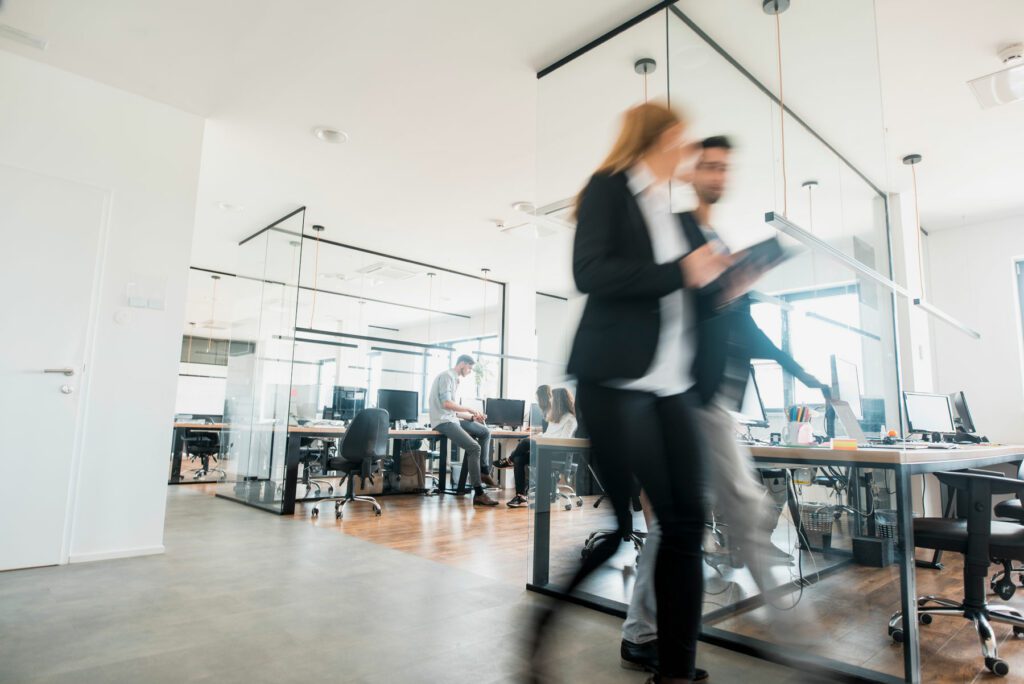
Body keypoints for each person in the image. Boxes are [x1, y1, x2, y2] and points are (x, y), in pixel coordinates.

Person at [529, 102, 733, 684]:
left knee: (687, 524)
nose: (689, 153)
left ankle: (675, 671)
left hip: (671, 388)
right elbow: (589, 273)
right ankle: (542, 623)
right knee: (623, 527)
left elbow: (682, 297)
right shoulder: (608, 190)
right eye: (682, 140)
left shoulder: (669, 213)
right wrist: (681, 272)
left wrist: (722, 283)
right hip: (616, 383)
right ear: (659, 138)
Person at [620, 136, 831, 675]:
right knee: (740, 505)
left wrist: (801, 372)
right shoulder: (684, 230)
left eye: (724, 167)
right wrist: (728, 279)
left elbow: (749, 329)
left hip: (711, 400)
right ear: (692, 173)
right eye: (709, 165)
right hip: (688, 397)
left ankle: (642, 630)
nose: (718, 173)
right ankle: (795, 637)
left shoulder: (713, 237)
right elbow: (678, 303)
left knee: (683, 522)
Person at [428, 354, 498, 506]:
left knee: (485, 432)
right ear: (462, 364)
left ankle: (484, 471)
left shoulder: (454, 379)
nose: (470, 371)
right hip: (442, 421)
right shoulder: (447, 376)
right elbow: (446, 404)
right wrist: (470, 409)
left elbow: (452, 411)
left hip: (451, 418)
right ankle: (479, 493)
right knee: (474, 447)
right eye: (470, 368)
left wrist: (471, 417)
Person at [503, 387, 577, 508]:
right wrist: (539, 436)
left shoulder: (571, 419)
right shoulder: (555, 417)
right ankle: (520, 496)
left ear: (559, 400)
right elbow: (548, 434)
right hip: (545, 449)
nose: (550, 400)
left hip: (556, 452)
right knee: (519, 459)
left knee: (526, 442)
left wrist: (539, 440)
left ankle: (508, 460)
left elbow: (564, 440)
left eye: (552, 398)